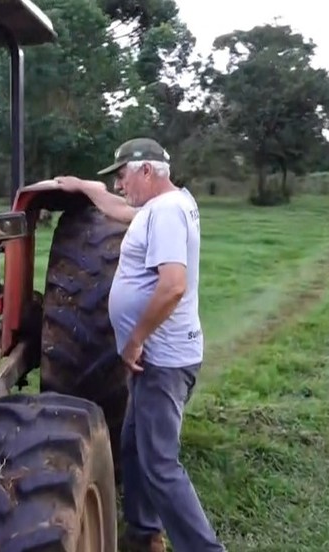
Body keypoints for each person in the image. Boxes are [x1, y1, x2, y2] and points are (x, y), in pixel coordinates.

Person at [55, 138, 225, 552]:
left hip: (161, 361)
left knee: (160, 466)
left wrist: (135, 340)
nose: (116, 184)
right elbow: (115, 209)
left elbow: (173, 286)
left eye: (121, 174)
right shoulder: (160, 207)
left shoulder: (165, 214)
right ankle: (144, 533)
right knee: (133, 445)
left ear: (145, 171)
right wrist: (80, 185)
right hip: (157, 360)